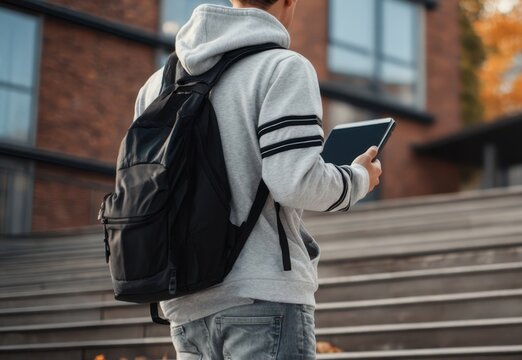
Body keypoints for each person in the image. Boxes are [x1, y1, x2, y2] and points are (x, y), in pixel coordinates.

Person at [132, 0, 382, 358]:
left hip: (183, 305)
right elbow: (295, 182)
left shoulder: (157, 84)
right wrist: (359, 177)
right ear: (289, 3)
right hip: (262, 296)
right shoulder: (282, 67)